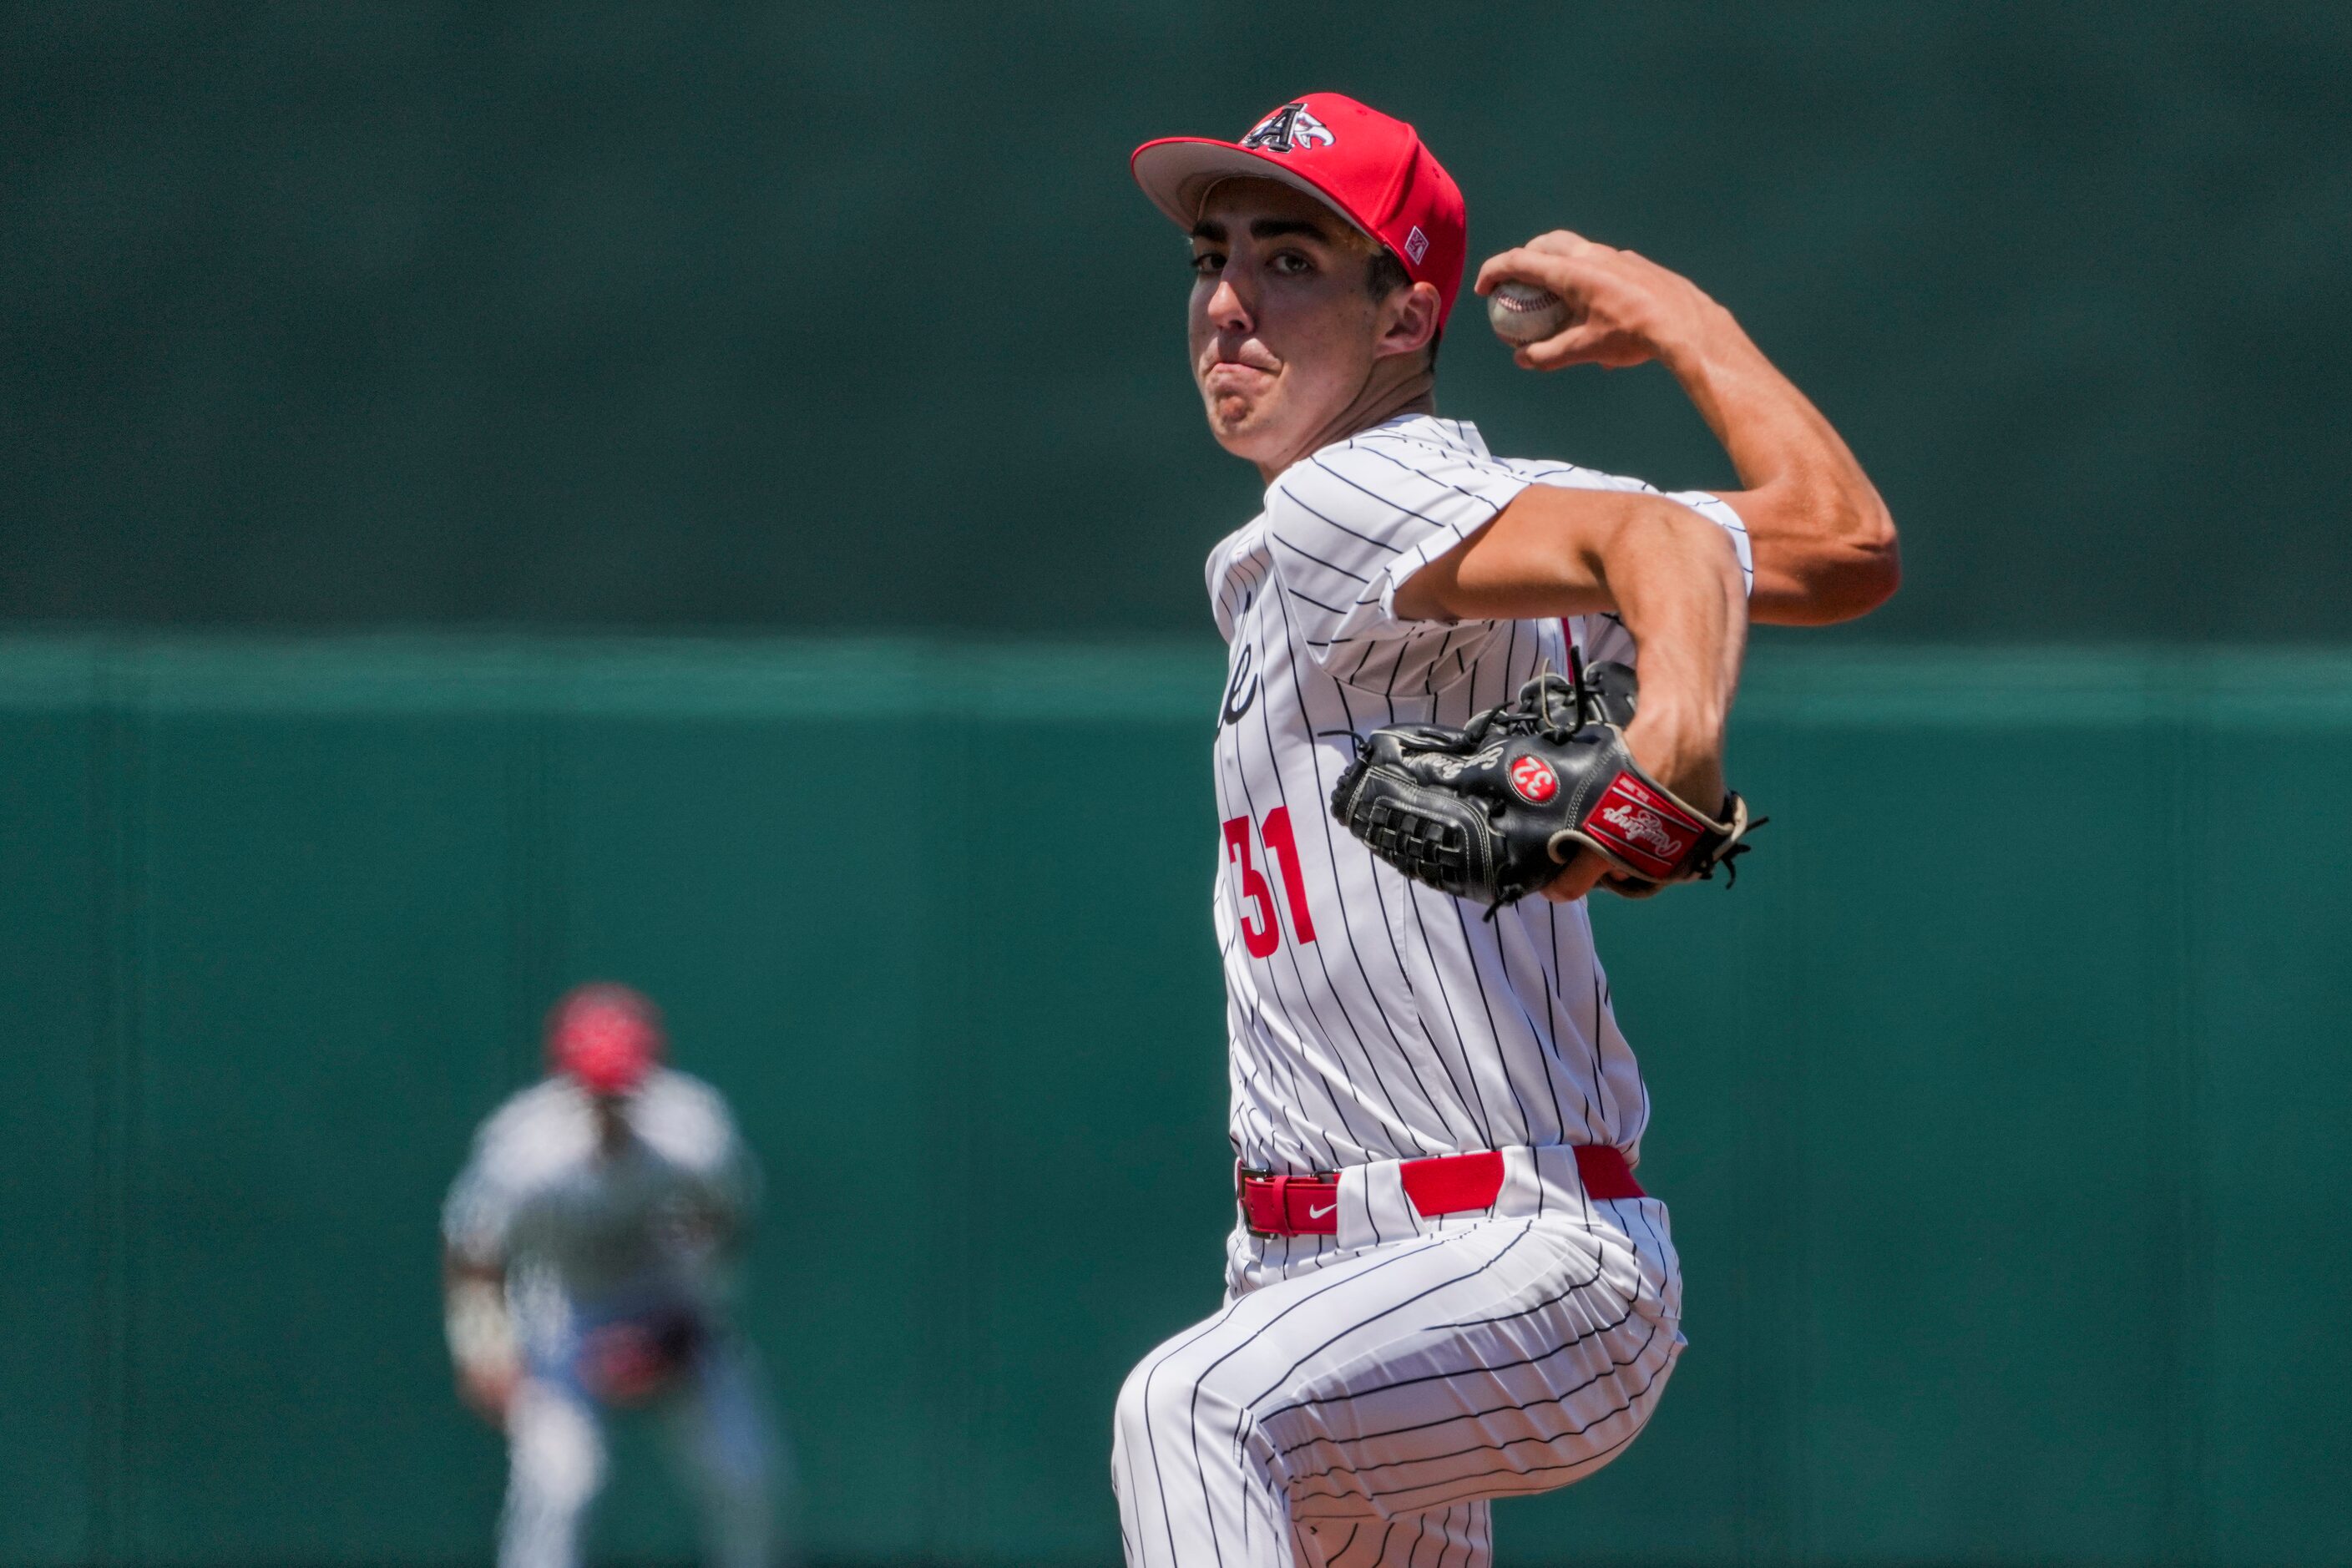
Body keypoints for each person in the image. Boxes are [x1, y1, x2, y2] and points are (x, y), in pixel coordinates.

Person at [1111, 94, 1898, 1567]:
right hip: (1341, 1279)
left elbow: (1664, 546)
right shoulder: (1468, 516)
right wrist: (1685, 317)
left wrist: (1668, 739)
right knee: (1229, 1403)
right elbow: (1841, 544)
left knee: (1189, 1411)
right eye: (1210, 258)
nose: (1226, 303)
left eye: (1288, 262)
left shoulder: (1355, 491)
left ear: (1406, 313)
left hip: (1503, 1256)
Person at [442, 983, 782, 1568]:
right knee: (561, 1484)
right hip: (564, 1307)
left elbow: (725, 1227)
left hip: (667, 1299)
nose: (611, 1105)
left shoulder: (694, 1134)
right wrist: (485, 1352)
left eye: (623, 1090)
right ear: (567, 1082)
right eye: (598, 1092)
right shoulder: (524, 1151)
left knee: (746, 1473)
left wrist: (687, 1318)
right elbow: (473, 1256)